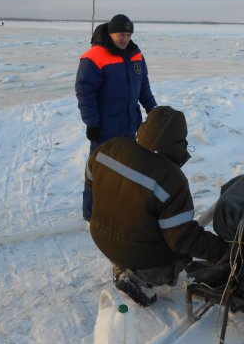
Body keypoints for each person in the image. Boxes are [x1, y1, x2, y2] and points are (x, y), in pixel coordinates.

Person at [86, 106, 227, 306]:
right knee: (180, 256)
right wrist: (221, 250)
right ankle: (138, 279)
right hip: (135, 251)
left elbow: (90, 179)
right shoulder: (170, 178)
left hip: (99, 236)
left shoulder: (111, 147)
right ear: (177, 143)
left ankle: (120, 262)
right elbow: (183, 239)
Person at [76, 14, 157, 222]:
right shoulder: (94, 57)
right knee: (99, 171)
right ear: (111, 33)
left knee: (127, 171)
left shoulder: (136, 55)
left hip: (130, 126)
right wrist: (92, 123)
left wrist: (152, 109)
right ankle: (91, 214)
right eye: (122, 34)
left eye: (129, 35)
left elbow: (143, 87)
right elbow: (85, 92)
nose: (125, 39)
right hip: (104, 129)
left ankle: (120, 209)